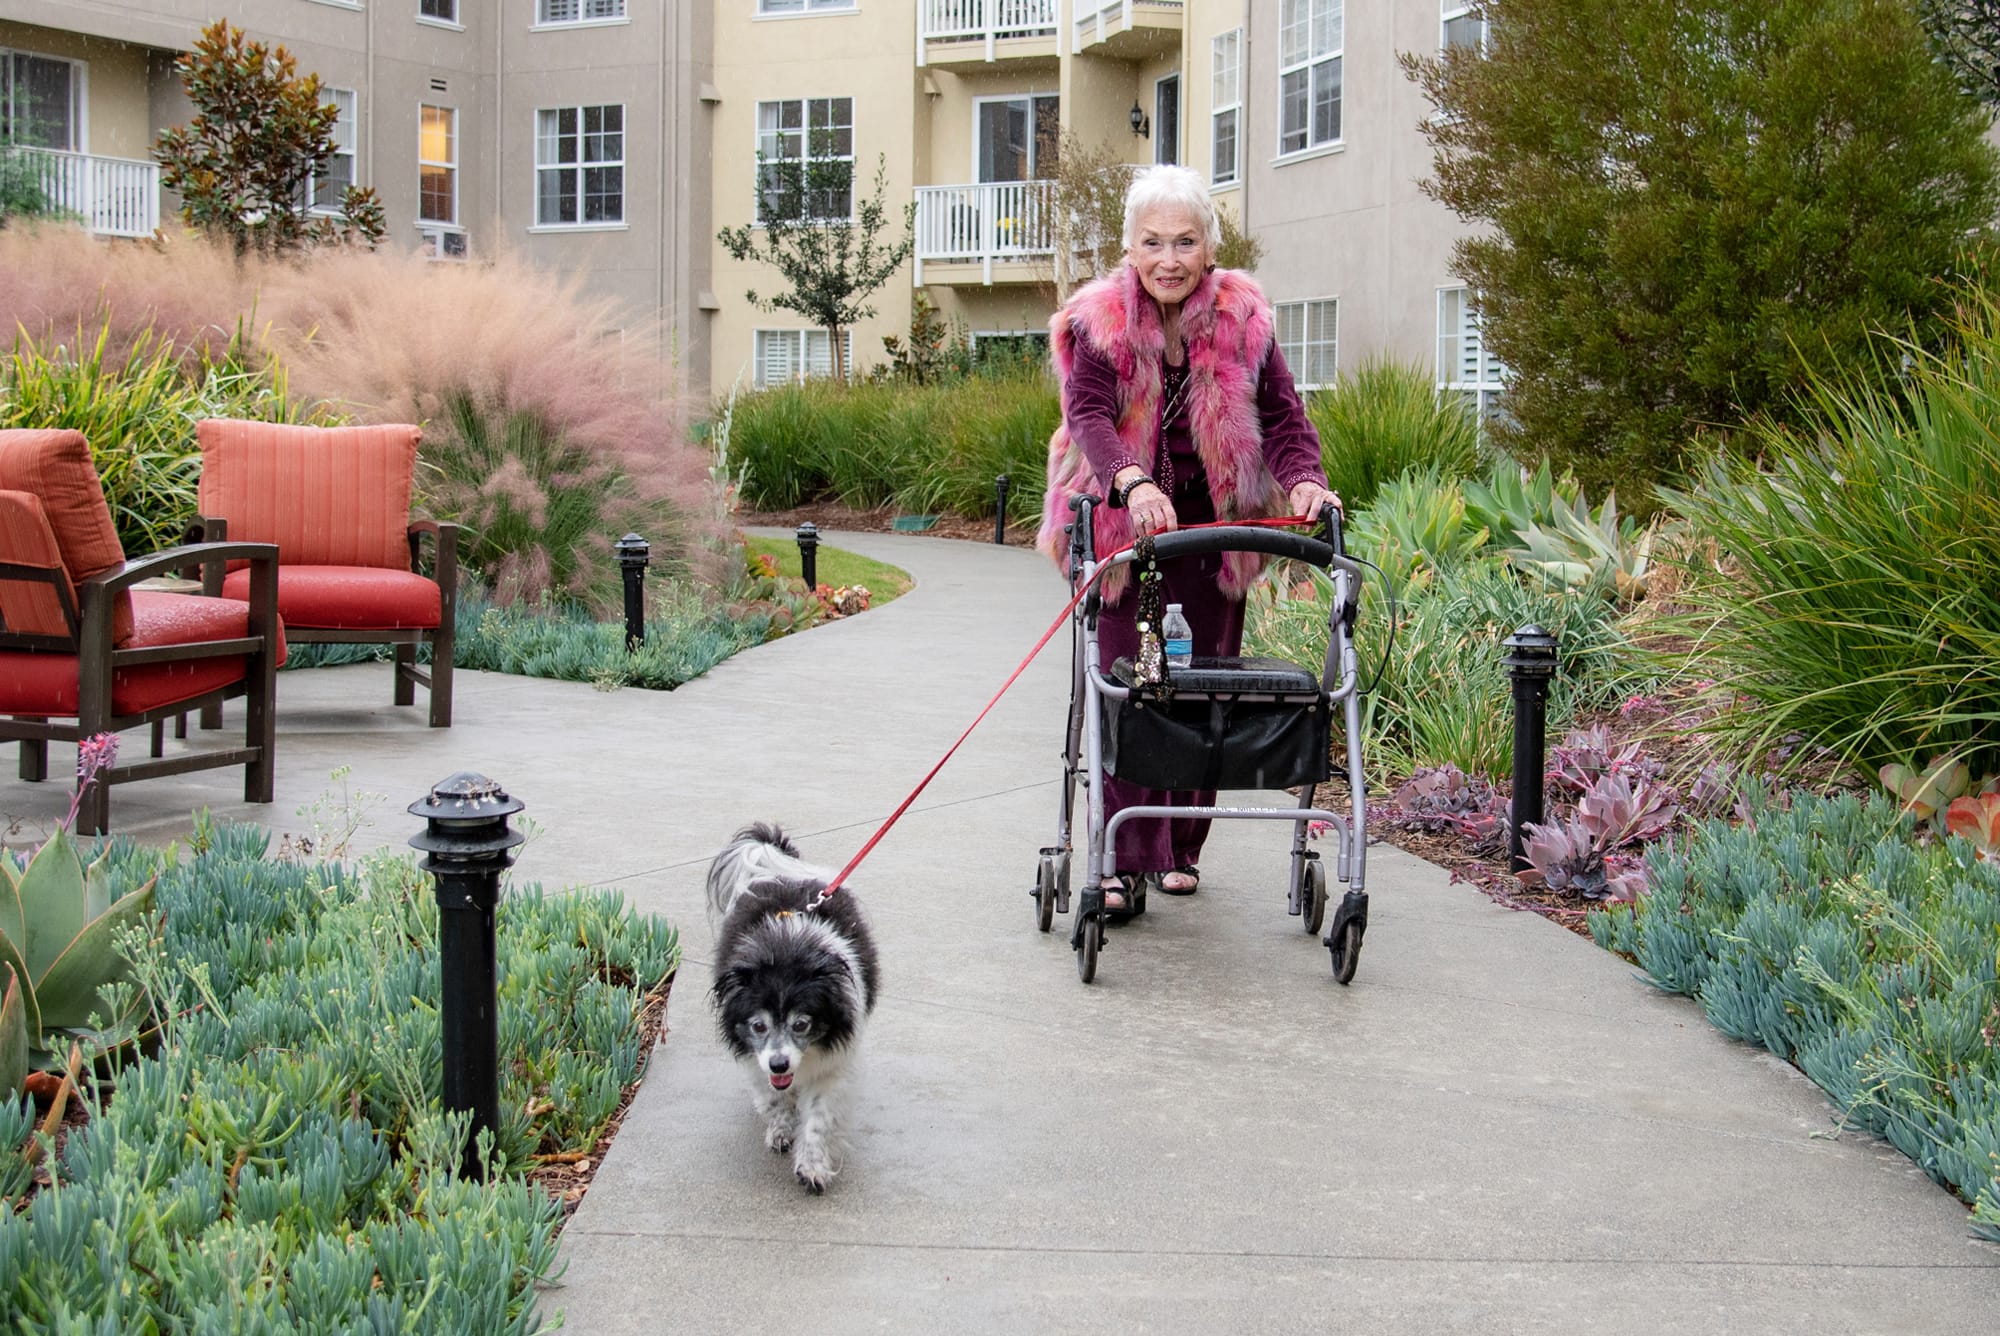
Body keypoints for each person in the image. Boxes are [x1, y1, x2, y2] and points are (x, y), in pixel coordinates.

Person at [1036, 163, 1339, 914]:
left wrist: (1303, 479)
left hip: (1215, 530)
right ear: (1130, 249)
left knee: (1204, 685)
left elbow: (1285, 418)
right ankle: (1115, 856)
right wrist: (1133, 483)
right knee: (1128, 685)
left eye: (1185, 241)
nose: (1168, 258)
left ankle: (1179, 846)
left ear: (1210, 247)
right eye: (1152, 243)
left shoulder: (1244, 317)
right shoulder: (1098, 319)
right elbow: (1091, 418)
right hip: (1122, 526)